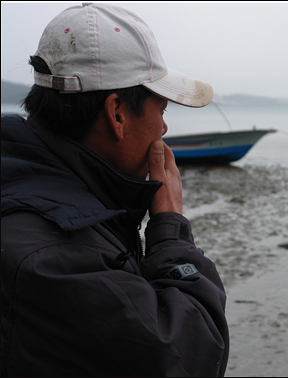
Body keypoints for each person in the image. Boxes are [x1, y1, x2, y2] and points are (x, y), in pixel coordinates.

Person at [1, 3, 229, 377]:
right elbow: (192, 355)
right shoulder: (55, 257)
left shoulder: (26, 182)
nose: (164, 130)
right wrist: (169, 227)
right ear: (117, 114)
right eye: (163, 111)